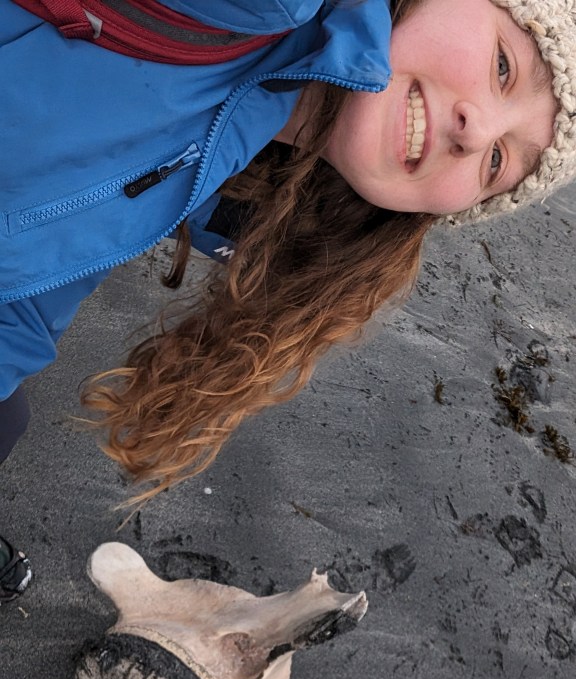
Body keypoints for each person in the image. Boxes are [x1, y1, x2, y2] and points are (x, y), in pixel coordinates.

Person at [0, 0, 575, 538]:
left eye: (496, 162)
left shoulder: (244, 177)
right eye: (503, 65)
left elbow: (42, 259)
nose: (477, 132)